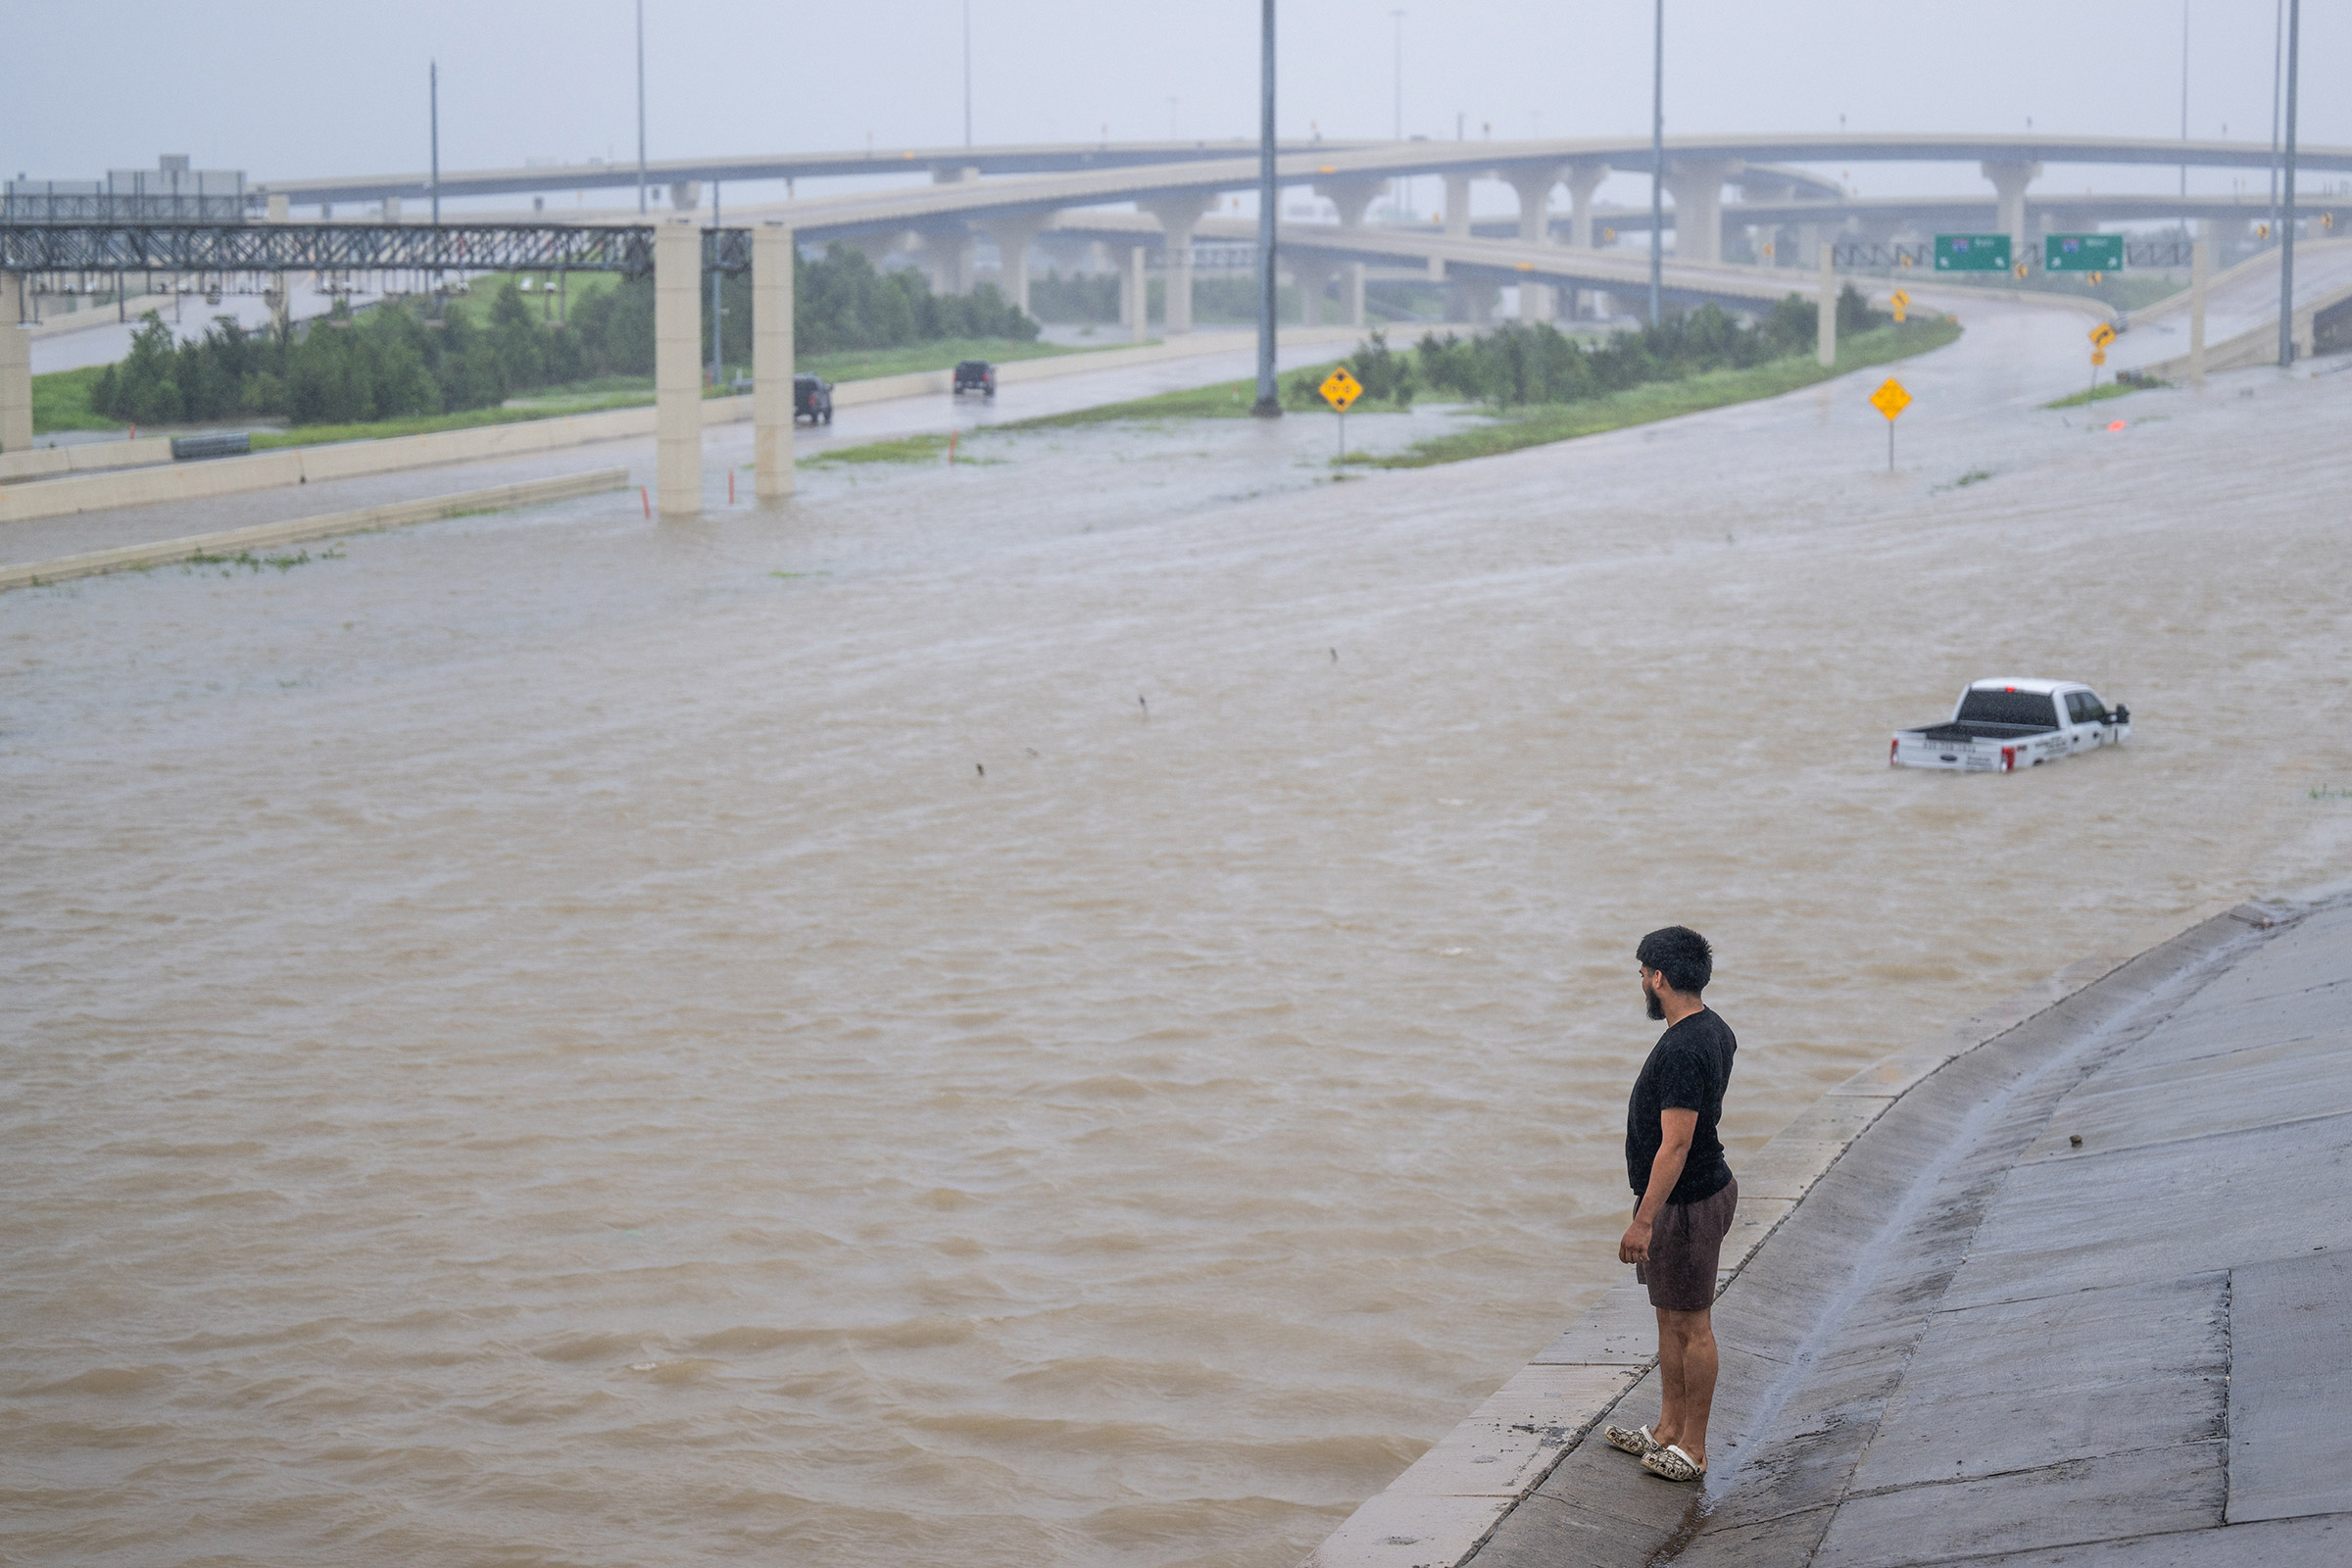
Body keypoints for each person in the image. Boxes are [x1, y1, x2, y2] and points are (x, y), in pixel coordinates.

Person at [1601, 925, 1738, 1484]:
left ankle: (1695, 1449)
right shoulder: (1713, 1028)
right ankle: (1666, 1430)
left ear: (1658, 977)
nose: (1640, 983)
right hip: (1692, 1195)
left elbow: (1676, 1142)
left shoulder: (1683, 1047)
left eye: (1641, 973)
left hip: (1686, 1203)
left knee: (1692, 1324)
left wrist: (1644, 1220)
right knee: (1669, 1317)